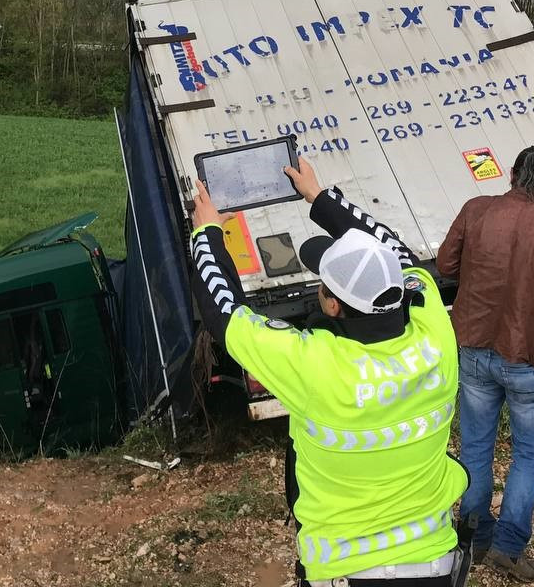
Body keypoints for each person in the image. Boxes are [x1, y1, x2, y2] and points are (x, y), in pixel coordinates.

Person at [189, 157, 468, 587]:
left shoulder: (313, 364)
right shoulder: (435, 332)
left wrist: (207, 232)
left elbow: (223, 312)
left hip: (344, 573)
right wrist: (320, 198)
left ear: (332, 304)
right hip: (434, 565)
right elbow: (395, 249)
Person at [436, 146, 534, 583]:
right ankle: (507, 547)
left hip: (474, 347)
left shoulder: (476, 210)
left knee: (476, 448)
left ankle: (474, 539)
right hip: (529, 358)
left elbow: (446, 264)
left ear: (513, 174)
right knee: (529, 455)